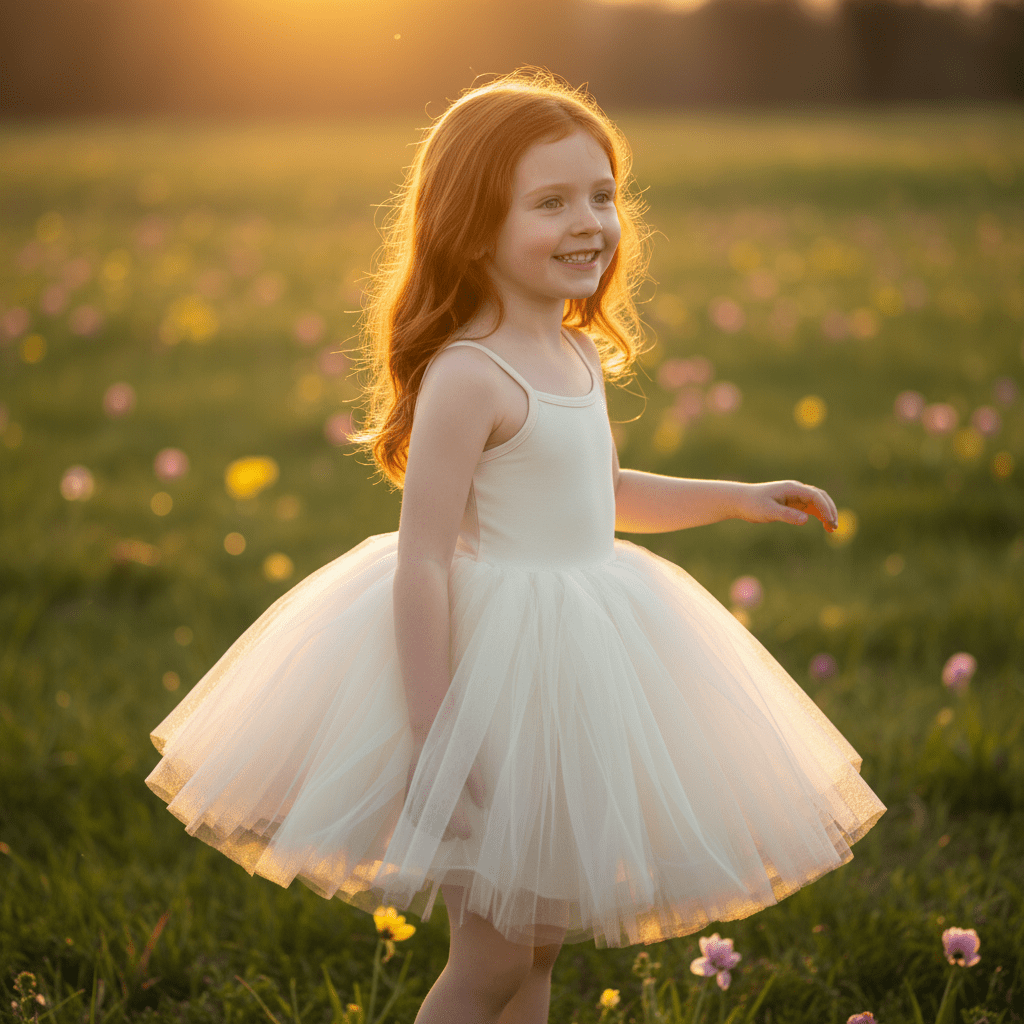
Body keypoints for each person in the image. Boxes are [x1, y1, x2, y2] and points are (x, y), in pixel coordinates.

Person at [146, 69, 885, 1024]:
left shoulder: (577, 351)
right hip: (484, 673)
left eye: (603, 196)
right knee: (490, 961)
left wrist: (738, 500)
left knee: (534, 952)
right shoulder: (469, 374)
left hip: (576, 660)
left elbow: (602, 495)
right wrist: (436, 735)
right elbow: (420, 559)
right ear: (472, 226)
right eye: (551, 202)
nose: (590, 222)